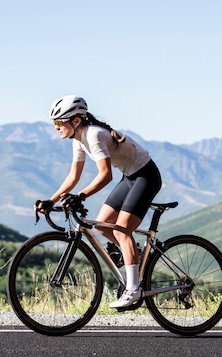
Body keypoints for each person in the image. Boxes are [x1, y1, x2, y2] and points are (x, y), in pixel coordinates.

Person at [36, 95, 162, 308]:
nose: (56, 127)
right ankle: (135, 255)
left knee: (122, 231)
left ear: (76, 121)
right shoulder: (78, 139)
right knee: (104, 225)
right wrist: (51, 200)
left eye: (59, 122)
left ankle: (134, 290)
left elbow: (105, 175)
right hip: (130, 177)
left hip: (146, 177)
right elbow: (73, 176)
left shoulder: (94, 135)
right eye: (54, 123)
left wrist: (80, 196)